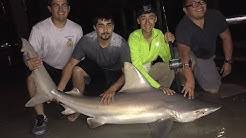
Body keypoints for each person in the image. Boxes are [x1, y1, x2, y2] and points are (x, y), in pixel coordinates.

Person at [25, 0, 83, 135]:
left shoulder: (76, 29)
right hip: (48, 69)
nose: (61, 9)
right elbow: (30, 55)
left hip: (68, 68)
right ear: (49, 8)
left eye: (64, 5)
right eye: (56, 5)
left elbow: (78, 58)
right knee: (31, 79)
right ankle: (40, 117)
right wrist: (27, 61)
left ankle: (77, 108)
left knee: (78, 70)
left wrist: (59, 88)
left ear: (69, 8)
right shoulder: (39, 29)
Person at [57, 13, 130, 105]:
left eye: (109, 25)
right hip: (97, 69)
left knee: (109, 102)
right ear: (95, 28)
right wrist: (59, 90)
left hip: (114, 73)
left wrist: (112, 89)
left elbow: (127, 73)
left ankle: (99, 91)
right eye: (101, 26)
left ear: (113, 27)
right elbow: (71, 64)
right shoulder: (86, 41)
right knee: (77, 70)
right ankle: (76, 104)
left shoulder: (121, 44)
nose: (105, 30)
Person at [175, 0, 233, 99]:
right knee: (188, 62)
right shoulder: (182, 27)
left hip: (204, 57)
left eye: (201, 1)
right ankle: (184, 83)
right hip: (186, 55)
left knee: (213, 88)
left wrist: (228, 61)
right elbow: (184, 54)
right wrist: (189, 79)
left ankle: (198, 74)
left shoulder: (215, 16)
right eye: (193, 3)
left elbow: (226, 37)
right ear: (185, 10)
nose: (199, 5)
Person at [128, 4, 175, 95]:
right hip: (135, 75)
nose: (147, 22)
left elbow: (167, 58)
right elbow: (137, 67)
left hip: (149, 70)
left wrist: (166, 42)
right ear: (138, 21)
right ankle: (156, 91)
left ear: (155, 19)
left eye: (151, 18)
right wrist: (158, 86)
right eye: (143, 18)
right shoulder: (134, 37)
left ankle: (161, 95)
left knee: (170, 67)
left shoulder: (159, 34)